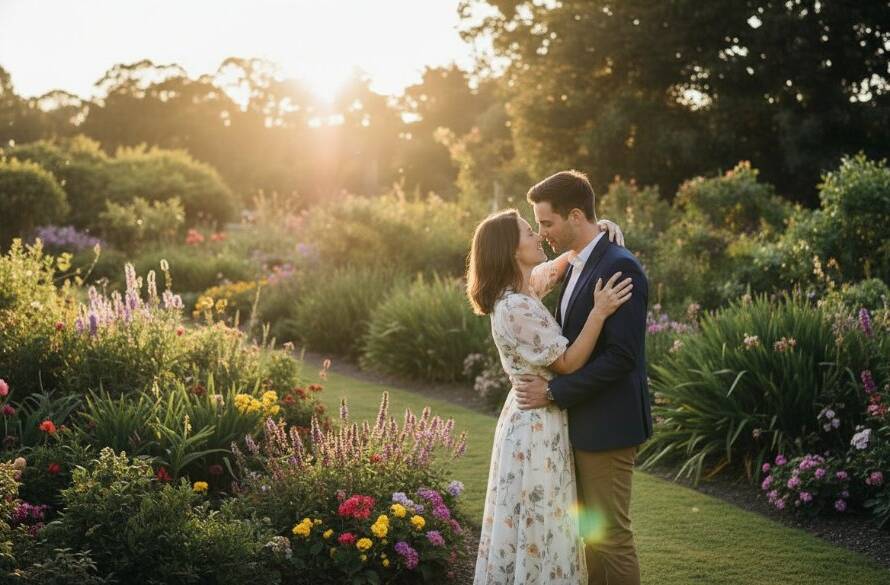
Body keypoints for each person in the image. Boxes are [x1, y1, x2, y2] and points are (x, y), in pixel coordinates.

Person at [467, 207, 632, 585]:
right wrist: (600, 311)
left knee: (537, 521)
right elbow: (569, 363)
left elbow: (555, 268)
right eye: (529, 232)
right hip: (535, 426)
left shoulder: (519, 291)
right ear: (511, 250)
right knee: (541, 525)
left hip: (536, 416)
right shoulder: (516, 307)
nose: (538, 235)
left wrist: (593, 232)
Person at [515, 170, 652, 585]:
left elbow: (621, 358)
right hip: (583, 423)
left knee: (611, 537)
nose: (542, 233)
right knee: (591, 537)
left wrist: (555, 391)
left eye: (546, 223)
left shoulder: (620, 267)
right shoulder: (577, 261)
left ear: (575, 216)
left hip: (608, 426)